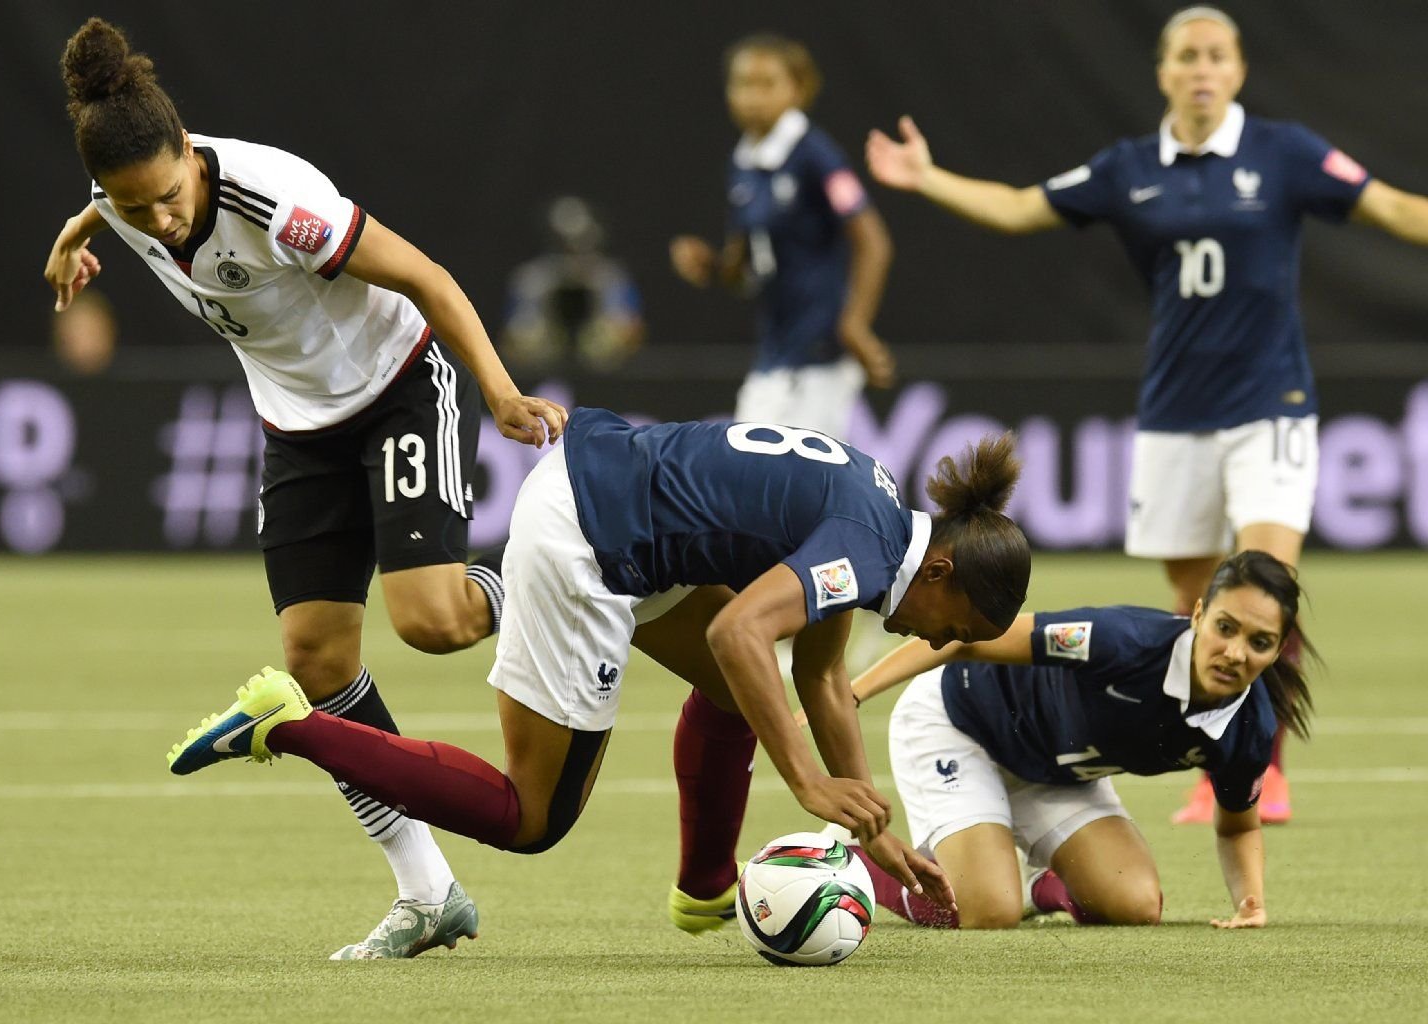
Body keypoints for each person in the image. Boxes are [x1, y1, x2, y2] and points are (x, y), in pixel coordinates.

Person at [44, 18, 567, 960]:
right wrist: (76, 235)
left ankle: (550, 579)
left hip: (397, 388)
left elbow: (429, 279)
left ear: (191, 157)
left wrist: (497, 389)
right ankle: (427, 890)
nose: (157, 220)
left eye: (166, 196)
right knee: (315, 661)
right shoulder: (120, 190)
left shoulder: (276, 202)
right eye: (132, 206)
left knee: (434, 624)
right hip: (297, 430)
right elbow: (104, 199)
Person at [167, 410, 1034, 943]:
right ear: (944, 573)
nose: (938, 641)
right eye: (953, 631)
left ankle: (704, 892)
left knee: (744, 695)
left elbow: (816, 676)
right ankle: (287, 723)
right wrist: (807, 782)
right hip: (592, 540)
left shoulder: (881, 516)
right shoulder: (867, 548)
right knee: (530, 816)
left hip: (621, 497)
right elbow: (740, 630)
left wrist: (875, 831)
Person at [865, 5, 1428, 824]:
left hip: (1272, 406)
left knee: (1271, 581)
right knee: (1197, 604)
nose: (1202, 68)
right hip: (1173, 414)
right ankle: (1212, 753)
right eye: (1187, 55)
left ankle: (1259, 771)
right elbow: (1022, 208)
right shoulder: (1129, 168)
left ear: (1237, 69)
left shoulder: (1286, 153)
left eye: (1217, 55)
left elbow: (1397, 210)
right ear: (1163, 71)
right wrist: (927, 177)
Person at [835, 549, 1312, 930]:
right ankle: (852, 866)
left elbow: (1238, 827)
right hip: (960, 724)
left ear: (1278, 648)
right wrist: (851, 693)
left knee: (1136, 904)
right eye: (1225, 628)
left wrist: (1250, 903)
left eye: (1259, 642)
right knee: (988, 912)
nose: (1234, 653)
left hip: (1054, 772)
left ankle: (1030, 881)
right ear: (1199, 614)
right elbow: (968, 637)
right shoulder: (1122, 641)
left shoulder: (1249, 727)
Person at [670, 33, 895, 441]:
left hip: (820, 355)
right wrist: (713, 267)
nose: (753, 96)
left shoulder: (815, 155)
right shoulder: (744, 162)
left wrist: (855, 324)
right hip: (775, 351)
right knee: (750, 476)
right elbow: (745, 268)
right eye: (743, 84)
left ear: (799, 89)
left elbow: (873, 240)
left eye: (767, 84)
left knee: (789, 481)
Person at [502, 195, 645, 370]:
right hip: (543, 368)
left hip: (603, 371)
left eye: (581, 239)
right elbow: (513, 337)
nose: (573, 249)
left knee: (605, 340)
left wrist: (607, 335)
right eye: (565, 242)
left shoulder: (611, 278)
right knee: (530, 337)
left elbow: (631, 330)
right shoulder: (532, 279)